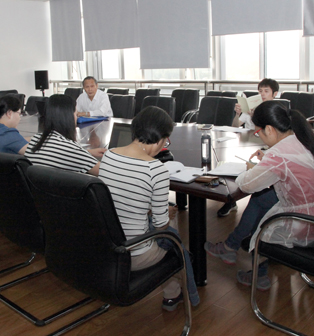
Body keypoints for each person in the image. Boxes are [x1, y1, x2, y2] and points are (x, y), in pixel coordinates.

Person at [204, 101, 314, 290]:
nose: (258, 136)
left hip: (304, 225)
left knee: (262, 209)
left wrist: (252, 169)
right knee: (263, 199)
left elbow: (246, 184)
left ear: (269, 129)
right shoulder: (305, 139)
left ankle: (256, 272)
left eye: (258, 132)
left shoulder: (279, 154)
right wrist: (266, 163)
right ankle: (237, 253)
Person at [99, 106, 200, 311]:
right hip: (135, 254)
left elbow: (117, 201)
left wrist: (150, 212)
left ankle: (174, 292)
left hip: (106, 246)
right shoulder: (156, 169)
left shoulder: (109, 155)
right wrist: (162, 214)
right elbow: (161, 226)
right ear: (160, 139)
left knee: (165, 225)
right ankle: (184, 295)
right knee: (172, 236)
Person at [221, 78, 281, 218]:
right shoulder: (250, 109)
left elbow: (271, 133)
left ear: (275, 94)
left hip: (265, 146)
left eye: (266, 91)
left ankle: (248, 197)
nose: (262, 94)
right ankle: (230, 199)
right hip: (247, 143)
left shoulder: (275, 111)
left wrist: (255, 116)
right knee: (230, 161)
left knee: (250, 166)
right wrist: (238, 114)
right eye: (260, 91)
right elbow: (235, 126)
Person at [25, 94, 105, 175]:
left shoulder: (34, 141)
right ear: (69, 117)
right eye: (76, 114)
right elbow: (106, 173)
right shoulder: (73, 151)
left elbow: (56, 152)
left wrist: (86, 152)